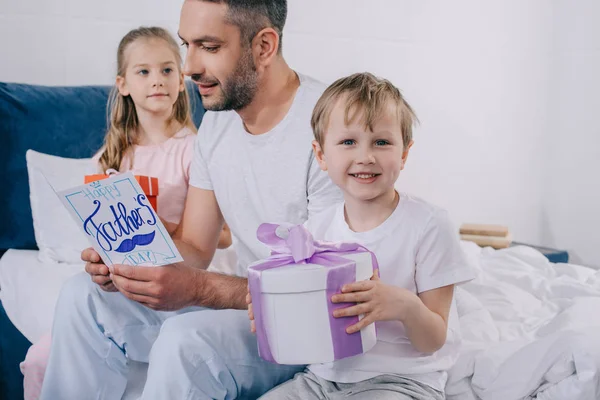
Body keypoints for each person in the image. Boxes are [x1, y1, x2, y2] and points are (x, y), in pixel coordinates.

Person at [40, 1, 342, 399]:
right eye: (187, 45)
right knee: (83, 296)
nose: (188, 67)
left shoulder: (332, 126)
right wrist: (128, 262)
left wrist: (200, 288)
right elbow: (196, 247)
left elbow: (330, 291)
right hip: (250, 308)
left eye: (209, 46)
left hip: (304, 326)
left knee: (187, 340)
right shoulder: (217, 121)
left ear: (264, 46)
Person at [21, 26, 232, 400]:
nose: (158, 81)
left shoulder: (193, 150)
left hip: (175, 277)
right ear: (123, 84)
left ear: (182, 80)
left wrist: (159, 225)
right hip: (121, 277)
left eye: (168, 70)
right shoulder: (114, 153)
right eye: (144, 71)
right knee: (39, 359)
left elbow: (227, 235)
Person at [251, 72, 478, 400]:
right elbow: (306, 322)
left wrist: (404, 306)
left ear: (404, 153)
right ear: (321, 155)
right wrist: (270, 307)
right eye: (348, 142)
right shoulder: (316, 229)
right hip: (321, 381)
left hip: (402, 382)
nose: (365, 156)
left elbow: (434, 339)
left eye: (382, 142)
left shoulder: (428, 225)